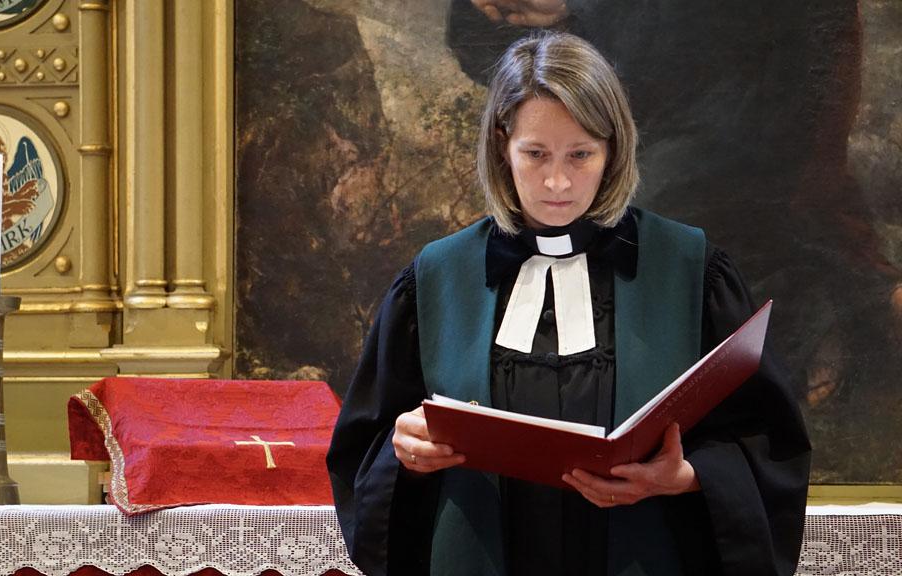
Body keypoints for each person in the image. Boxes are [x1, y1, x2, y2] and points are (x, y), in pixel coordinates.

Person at [327, 31, 811, 576]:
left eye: (581, 154)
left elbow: (766, 441)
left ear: (613, 149)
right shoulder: (436, 279)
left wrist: (688, 477)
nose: (557, 181)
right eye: (535, 154)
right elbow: (368, 451)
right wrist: (406, 454)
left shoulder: (691, 270)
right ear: (501, 145)